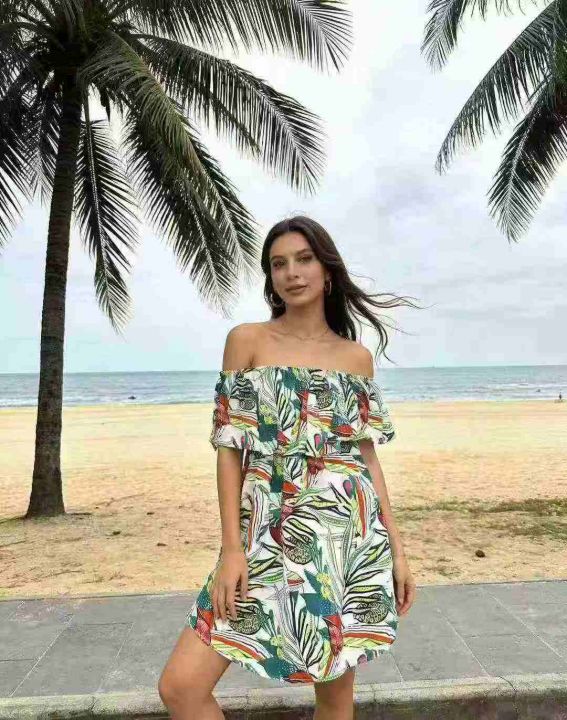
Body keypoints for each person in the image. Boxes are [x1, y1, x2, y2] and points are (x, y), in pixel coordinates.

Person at [158, 216, 418, 719]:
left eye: (304, 259)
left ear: (327, 270)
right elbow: (229, 449)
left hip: (344, 536)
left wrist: (398, 553)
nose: (292, 273)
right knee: (181, 686)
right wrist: (232, 549)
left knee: (335, 698)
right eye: (279, 264)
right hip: (262, 531)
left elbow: (366, 459)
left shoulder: (356, 358)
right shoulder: (247, 340)